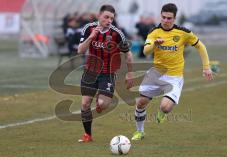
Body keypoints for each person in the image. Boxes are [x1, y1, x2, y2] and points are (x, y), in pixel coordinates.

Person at [131, 3, 213, 140]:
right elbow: (145, 51)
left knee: (165, 107)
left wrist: (206, 67)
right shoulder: (154, 32)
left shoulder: (183, 32)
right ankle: (140, 132)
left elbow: (200, 46)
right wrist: (154, 45)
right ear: (160, 16)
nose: (166, 21)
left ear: (174, 18)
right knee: (140, 102)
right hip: (155, 73)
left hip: (174, 76)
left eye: (169, 18)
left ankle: (162, 113)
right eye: (163, 17)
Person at [77, 4, 134, 142]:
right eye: (106, 17)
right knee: (85, 104)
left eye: (111, 18)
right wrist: (91, 37)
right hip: (90, 72)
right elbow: (80, 50)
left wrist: (130, 74)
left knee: (103, 104)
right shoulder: (88, 28)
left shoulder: (116, 33)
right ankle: (88, 135)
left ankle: (100, 100)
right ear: (99, 16)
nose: (109, 20)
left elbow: (129, 54)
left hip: (107, 73)